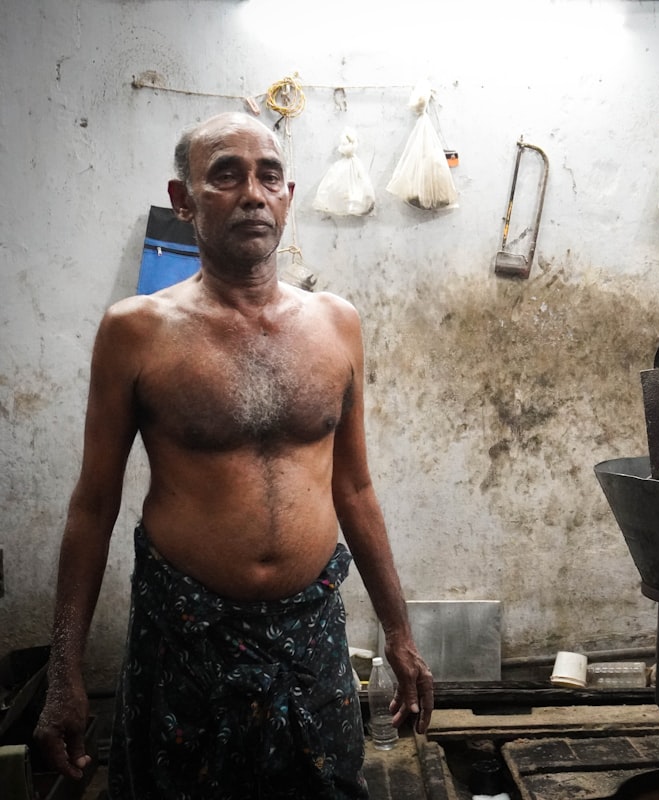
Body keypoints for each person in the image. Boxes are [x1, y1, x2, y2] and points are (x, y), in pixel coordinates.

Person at [33, 111, 434, 798]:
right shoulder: (136, 332)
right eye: (226, 174)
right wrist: (64, 672)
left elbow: (357, 490)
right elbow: (93, 505)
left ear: (288, 196)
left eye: (268, 175)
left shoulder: (338, 323)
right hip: (184, 638)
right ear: (183, 198)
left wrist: (399, 631)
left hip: (311, 635)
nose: (253, 192)